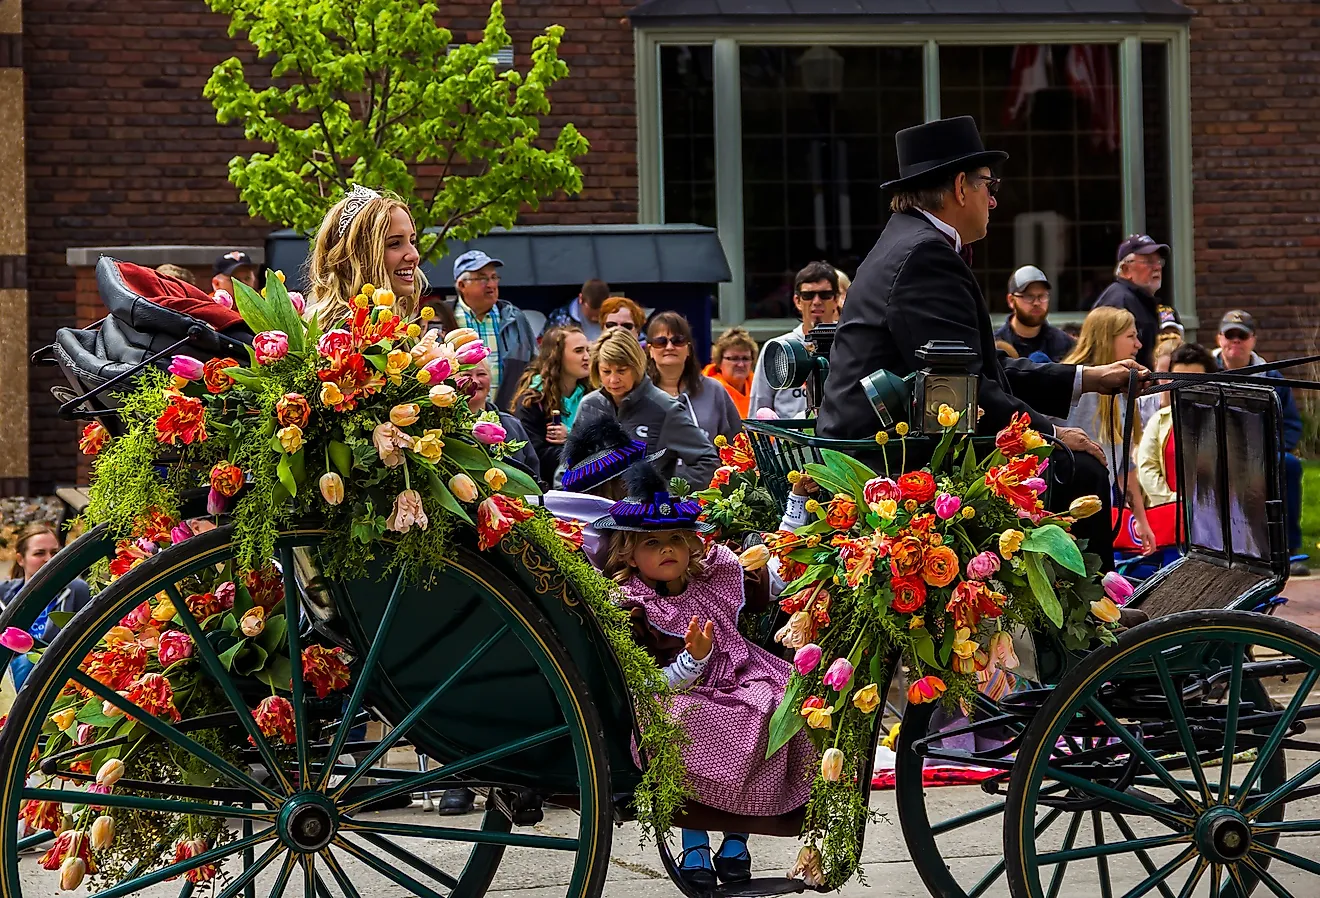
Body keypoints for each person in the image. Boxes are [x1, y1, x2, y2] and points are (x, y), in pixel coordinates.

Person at [816, 116, 1143, 569]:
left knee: (1067, 457)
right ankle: (1094, 621)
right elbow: (962, 386)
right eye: (988, 184)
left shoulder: (908, 241)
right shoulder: (925, 254)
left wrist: (1087, 377)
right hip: (887, 458)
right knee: (1079, 466)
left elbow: (972, 369)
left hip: (890, 441)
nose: (993, 198)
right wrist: (1051, 433)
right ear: (959, 187)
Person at [596, 461, 815, 890]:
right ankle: (693, 842)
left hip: (745, 676)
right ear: (628, 553)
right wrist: (694, 660)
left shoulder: (716, 577)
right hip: (677, 692)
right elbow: (644, 685)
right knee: (682, 721)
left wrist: (797, 504)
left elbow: (774, 574)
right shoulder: (632, 605)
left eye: (676, 539)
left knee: (776, 705)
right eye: (652, 542)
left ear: (692, 544)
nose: (667, 549)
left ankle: (737, 840)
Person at [1214, 310, 1307, 574]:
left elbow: (1289, 425)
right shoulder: (1204, 370)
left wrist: (1269, 450)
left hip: (1261, 452)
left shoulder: (1273, 379)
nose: (1235, 341)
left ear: (1253, 340)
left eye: (1241, 336)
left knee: (1287, 465)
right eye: (1229, 335)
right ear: (1219, 337)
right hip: (1214, 451)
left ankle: (1289, 549)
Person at [1060, 307, 1156, 554]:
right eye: (1130, 336)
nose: (1138, 344)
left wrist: (1141, 521)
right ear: (1107, 338)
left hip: (1100, 511)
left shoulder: (1124, 390)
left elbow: (1125, 467)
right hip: (1065, 514)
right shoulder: (1072, 388)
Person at [572, 328, 718, 489]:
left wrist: (665, 494)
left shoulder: (665, 409)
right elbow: (570, 465)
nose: (613, 379)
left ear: (636, 367)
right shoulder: (589, 405)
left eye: (621, 371)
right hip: (592, 510)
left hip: (645, 512)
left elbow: (707, 462)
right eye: (606, 371)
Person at [305, 185, 426, 324]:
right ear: (354, 256)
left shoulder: (391, 328)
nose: (414, 255)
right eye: (394, 244)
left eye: (412, 241)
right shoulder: (351, 337)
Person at [0, 524, 92, 689]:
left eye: (55, 553)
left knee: (28, 662)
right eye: (39, 553)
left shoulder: (76, 591)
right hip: (8, 678)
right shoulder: (4, 594)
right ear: (21, 559)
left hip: (55, 680)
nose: (49, 559)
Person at [749, 261, 842, 420]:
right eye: (808, 295)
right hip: (790, 442)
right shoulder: (779, 348)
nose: (817, 301)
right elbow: (759, 412)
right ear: (797, 301)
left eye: (825, 295)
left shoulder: (847, 346)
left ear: (836, 299)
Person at [447, 249, 537, 411]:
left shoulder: (515, 319)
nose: (491, 284)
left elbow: (533, 366)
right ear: (462, 285)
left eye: (494, 277)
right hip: (455, 418)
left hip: (509, 415)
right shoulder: (445, 320)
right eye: (482, 278)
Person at [1138, 342, 1217, 507]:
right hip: (1169, 514)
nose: (1184, 388)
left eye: (1192, 381)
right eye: (1179, 380)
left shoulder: (1225, 421)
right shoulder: (1159, 420)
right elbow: (1147, 468)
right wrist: (1173, 502)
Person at [646, 312, 742, 445]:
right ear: (650, 350)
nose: (669, 347)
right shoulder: (638, 393)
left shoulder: (714, 391)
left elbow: (737, 445)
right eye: (660, 342)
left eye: (677, 341)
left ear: (688, 349)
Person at [512, 326, 592, 485]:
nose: (587, 357)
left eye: (587, 350)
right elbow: (535, 454)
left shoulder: (594, 394)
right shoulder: (532, 400)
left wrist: (570, 438)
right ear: (557, 356)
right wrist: (584, 453)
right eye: (578, 351)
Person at [1091, 234, 1178, 369]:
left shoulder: (1143, 301)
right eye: (1149, 262)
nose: (1157, 267)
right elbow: (1109, 359)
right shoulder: (1119, 301)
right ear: (1126, 270)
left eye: (1159, 261)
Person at [464, 360, 541, 485]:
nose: (475, 381)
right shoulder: (445, 426)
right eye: (466, 375)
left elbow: (533, 477)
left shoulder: (512, 425)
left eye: (481, 374)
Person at [994, 266, 1075, 362]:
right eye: (1029, 296)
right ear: (1011, 300)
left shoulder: (1065, 344)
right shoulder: (994, 345)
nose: (1036, 303)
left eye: (1042, 296)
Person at [703, 328, 758, 418]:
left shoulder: (759, 387)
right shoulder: (707, 389)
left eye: (745, 358)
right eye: (734, 358)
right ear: (719, 361)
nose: (741, 364)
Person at [1136, 332, 1184, 428]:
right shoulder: (1140, 406)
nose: (1169, 381)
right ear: (1155, 367)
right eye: (1163, 373)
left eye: (1174, 373)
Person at [544, 278, 609, 342]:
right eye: (591, 311)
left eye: (600, 312)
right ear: (581, 299)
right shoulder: (561, 319)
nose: (595, 318)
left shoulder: (616, 316)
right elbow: (548, 347)